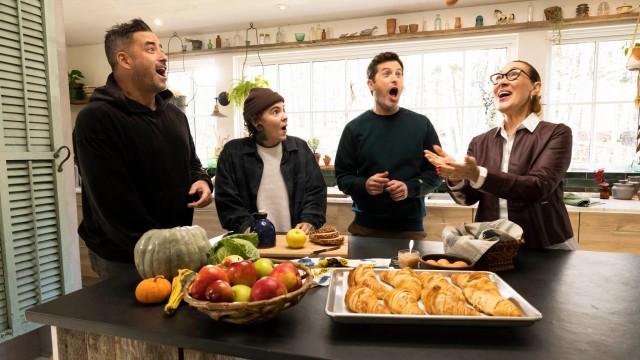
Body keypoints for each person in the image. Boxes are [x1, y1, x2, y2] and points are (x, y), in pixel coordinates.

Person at [73, 19, 213, 279]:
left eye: (161, 48)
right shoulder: (97, 119)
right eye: (151, 49)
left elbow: (192, 163)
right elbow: (113, 203)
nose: (163, 56)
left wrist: (203, 181)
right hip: (125, 259)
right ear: (124, 60)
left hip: (176, 250)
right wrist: (164, 249)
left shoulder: (175, 115)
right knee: (129, 321)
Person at [424, 60, 575, 250]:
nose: (502, 82)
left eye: (513, 74)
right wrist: (456, 177)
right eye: (498, 77)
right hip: (492, 248)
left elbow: (538, 187)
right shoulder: (479, 142)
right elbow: (468, 198)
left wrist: (477, 174)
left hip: (546, 246)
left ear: (535, 88)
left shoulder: (557, 133)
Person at [335, 52, 442, 240]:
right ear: (371, 84)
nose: (395, 79)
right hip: (364, 229)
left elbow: (436, 173)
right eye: (386, 74)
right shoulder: (354, 129)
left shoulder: (422, 125)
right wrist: (365, 185)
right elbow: (343, 177)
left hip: (410, 229)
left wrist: (409, 188)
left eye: (398, 74)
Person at [214, 87, 327, 234]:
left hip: (296, 244)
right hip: (252, 246)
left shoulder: (300, 149)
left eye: (283, 109)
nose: (284, 116)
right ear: (256, 121)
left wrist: (309, 220)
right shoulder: (233, 153)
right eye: (276, 111)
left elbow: (316, 192)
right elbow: (226, 201)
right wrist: (247, 228)